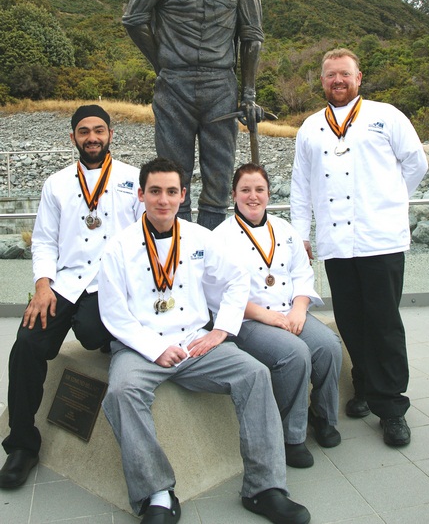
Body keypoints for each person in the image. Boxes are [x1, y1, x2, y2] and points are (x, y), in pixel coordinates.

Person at [98, 157, 311, 524]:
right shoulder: (119, 246)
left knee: (255, 374)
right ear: (140, 195)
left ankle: (265, 489)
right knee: (120, 392)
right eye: (154, 191)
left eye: (170, 192)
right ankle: (157, 495)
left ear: (183, 195)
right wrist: (154, 348)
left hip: (195, 342)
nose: (162, 200)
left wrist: (221, 330)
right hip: (140, 347)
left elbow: (235, 281)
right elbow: (114, 313)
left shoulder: (199, 237)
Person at [290, 48, 428, 447]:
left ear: (359, 77)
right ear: (322, 81)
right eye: (331, 75)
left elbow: (415, 164)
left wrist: (389, 202)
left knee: (383, 322)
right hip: (335, 243)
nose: (338, 81)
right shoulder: (310, 128)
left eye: (345, 74)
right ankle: (365, 385)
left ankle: (392, 407)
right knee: (351, 320)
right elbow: (300, 186)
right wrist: (300, 233)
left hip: (380, 239)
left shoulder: (387, 116)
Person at [0, 105, 143, 489]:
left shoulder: (133, 179)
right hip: (66, 281)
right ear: (73, 138)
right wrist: (42, 286)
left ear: (111, 134)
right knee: (27, 343)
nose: (92, 137)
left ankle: (106, 337)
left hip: (110, 283)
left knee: (94, 334)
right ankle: (22, 445)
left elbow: (148, 239)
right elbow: (44, 241)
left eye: (99, 130)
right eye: (84, 131)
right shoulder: (57, 183)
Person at [122, 0, 264, 230]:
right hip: (175, 86)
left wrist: (248, 94)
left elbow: (252, 36)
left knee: (219, 173)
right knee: (173, 174)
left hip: (220, 86)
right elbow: (134, 20)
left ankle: (212, 248)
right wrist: (164, 66)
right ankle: (178, 246)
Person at [208, 163, 342, 469]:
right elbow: (220, 293)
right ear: (233, 195)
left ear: (268, 194)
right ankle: (290, 436)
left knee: (328, 346)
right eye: (245, 190)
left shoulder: (285, 230)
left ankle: (321, 416)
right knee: (294, 354)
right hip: (248, 320)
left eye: (259, 190)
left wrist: (299, 307)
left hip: (289, 311)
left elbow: (302, 273)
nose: (252, 197)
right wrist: (268, 318)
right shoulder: (220, 237)